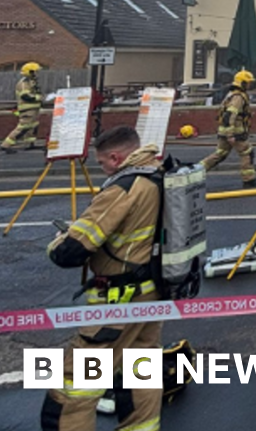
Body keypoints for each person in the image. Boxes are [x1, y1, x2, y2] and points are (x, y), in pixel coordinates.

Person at [42, 126, 163, 431]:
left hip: (117, 301)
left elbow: (70, 251)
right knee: (140, 372)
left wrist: (59, 240)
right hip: (151, 293)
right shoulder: (161, 175)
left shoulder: (123, 187)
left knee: (73, 389)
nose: (102, 169)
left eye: (101, 163)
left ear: (115, 157)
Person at [201, 69, 256, 188]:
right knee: (247, 152)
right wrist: (230, 134)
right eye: (248, 82)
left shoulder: (232, 94)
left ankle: (196, 171)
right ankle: (249, 180)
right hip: (235, 132)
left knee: (220, 154)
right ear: (243, 83)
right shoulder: (238, 97)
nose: (250, 85)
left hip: (224, 131)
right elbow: (230, 115)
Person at [2, 62, 43, 154]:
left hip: (33, 109)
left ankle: (30, 144)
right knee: (23, 127)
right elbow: (25, 96)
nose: (37, 74)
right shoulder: (24, 83)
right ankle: (6, 145)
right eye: (36, 72)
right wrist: (38, 98)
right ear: (30, 72)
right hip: (27, 110)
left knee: (33, 125)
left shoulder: (31, 82)